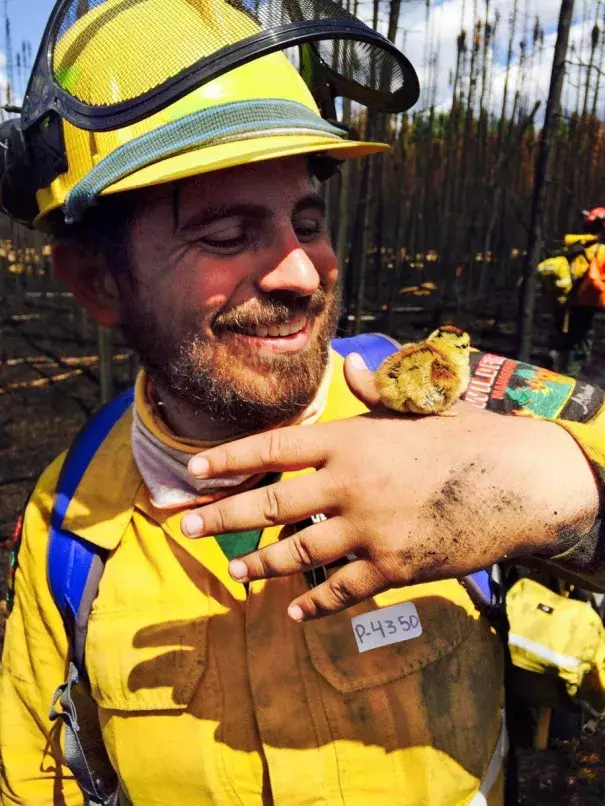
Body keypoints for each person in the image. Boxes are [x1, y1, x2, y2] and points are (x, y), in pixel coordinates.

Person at [1, 1, 605, 804]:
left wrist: (559, 485)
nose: (301, 272)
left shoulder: (453, 398)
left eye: (307, 219)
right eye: (224, 233)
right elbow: (36, 777)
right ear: (99, 281)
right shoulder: (67, 526)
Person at [538, 208, 605, 376]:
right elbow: (595, 277)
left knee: (562, 336)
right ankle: (569, 377)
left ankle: (553, 363)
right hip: (585, 302)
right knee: (580, 343)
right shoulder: (600, 251)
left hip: (564, 297)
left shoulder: (574, 245)